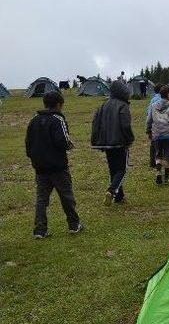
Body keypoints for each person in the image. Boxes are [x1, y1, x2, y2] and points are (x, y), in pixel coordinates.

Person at [25, 91, 83, 238]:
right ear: (59, 105)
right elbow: (63, 141)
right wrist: (70, 145)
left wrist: (33, 158)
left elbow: (28, 142)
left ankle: (40, 230)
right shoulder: (58, 119)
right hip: (58, 167)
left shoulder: (34, 120)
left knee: (41, 199)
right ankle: (74, 224)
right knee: (66, 196)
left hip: (40, 167)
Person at [91, 80, 135, 205]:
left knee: (113, 169)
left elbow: (95, 124)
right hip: (120, 143)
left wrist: (96, 141)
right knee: (122, 169)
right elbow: (125, 125)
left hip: (106, 143)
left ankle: (119, 196)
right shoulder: (123, 105)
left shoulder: (103, 105)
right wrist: (130, 139)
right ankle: (111, 190)